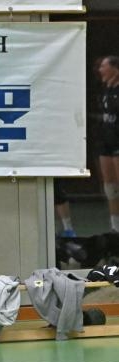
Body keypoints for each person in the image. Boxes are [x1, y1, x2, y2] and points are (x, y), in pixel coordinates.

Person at [96, 56, 119, 233]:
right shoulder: (106, 88)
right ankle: (115, 227)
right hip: (106, 139)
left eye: (104, 66)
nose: (100, 69)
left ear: (114, 68)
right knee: (109, 185)